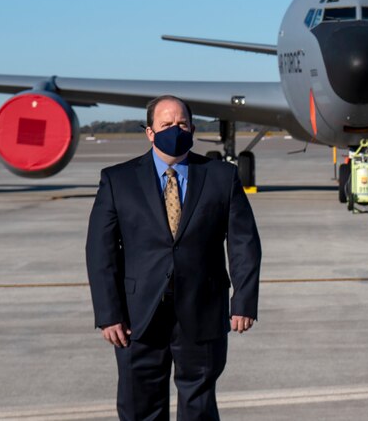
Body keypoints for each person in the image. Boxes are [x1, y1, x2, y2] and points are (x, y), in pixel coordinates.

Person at [86, 95, 262, 420]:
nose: (175, 129)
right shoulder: (117, 180)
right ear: (150, 132)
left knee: (199, 406)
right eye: (166, 124)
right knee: (140, 407)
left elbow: (244, 243)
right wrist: (108, 313)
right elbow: (101, 252)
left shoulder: (222, 176)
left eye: (182, 124)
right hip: (137, 317)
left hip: (203, 310)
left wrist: (244, 301)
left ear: (193, 128)